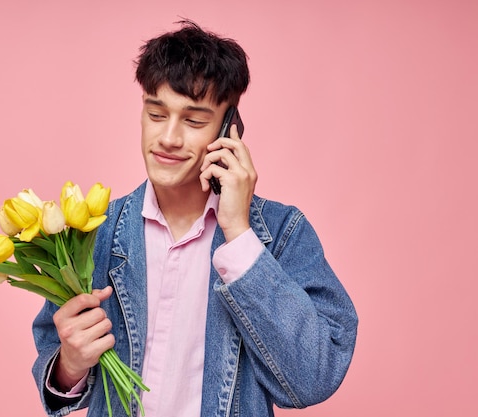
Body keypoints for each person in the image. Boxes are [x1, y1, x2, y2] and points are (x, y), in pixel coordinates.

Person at [32, 20, 358, 417]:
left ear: (228, 129)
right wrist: (69, 364)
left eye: (194, 121)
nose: (169, 138)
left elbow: (313, 378)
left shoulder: (282, 234)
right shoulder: (92, 234)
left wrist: (238, 235)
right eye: (156, 114)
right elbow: (55, 356)